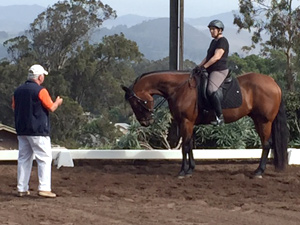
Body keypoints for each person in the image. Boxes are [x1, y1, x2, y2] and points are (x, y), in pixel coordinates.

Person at [12, 64, 63, 198]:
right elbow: (51, 107)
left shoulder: (17, 91)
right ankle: (44, 188)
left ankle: (22, 188)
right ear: (40, 77)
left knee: (24, 158)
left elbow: (14, 107)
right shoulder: (41, 91)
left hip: (22, 130)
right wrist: (57, 102)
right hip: (38, 130)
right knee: (44, 158)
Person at [196, 19, 229, 126]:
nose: (211, 31)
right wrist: (199, 67)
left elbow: (216, 57)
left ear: (220, 30)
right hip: (210, 69)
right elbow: (208, 57)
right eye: (210, 29)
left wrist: (204, 66)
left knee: (211, 89)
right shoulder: (213, 42)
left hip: (219, 70)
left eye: (213, 29)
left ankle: (220, 117)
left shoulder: (222, 41)